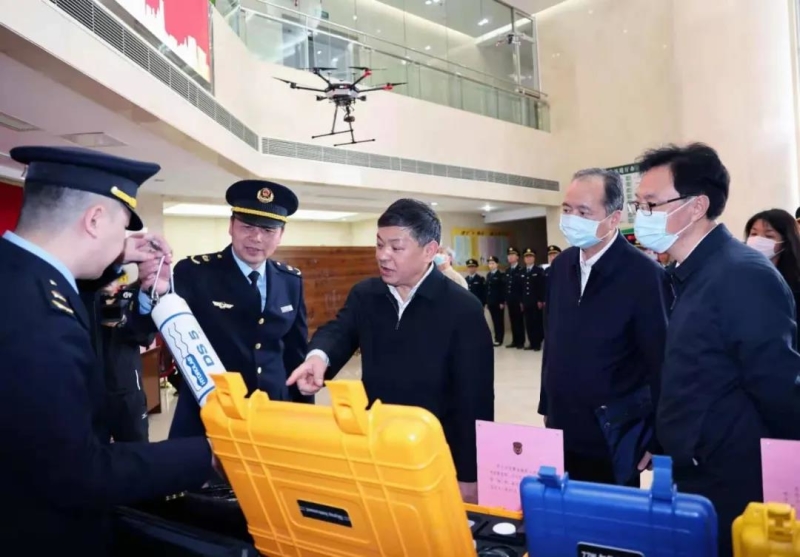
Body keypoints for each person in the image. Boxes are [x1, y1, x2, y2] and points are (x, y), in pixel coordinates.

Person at [0, 146, 217, 554]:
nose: (125, 242)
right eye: (122, 230)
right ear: (95, 220)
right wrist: (207, 453)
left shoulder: (17, 275)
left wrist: (119, 256)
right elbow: (77, 473)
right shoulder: (41, 319)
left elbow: (65, 289)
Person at [632, 143, 800, 557]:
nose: (640, 215)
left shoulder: (740, 275)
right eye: (638, 204)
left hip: (732, 479)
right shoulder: (686, 274)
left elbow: (778, 389)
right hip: (692, 470)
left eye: (651, 204)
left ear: (696, 207)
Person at [286, 199, 494, 503]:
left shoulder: (462, 308)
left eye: (396, 247)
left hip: (435, 452)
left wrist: (469, 474)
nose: (383, 255)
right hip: (376, 444)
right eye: (379, 244)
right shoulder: (366, 295)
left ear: (429, 250)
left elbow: (475, 399)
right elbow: (339, 330)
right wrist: (318, 357)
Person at [137, 180, 312, 439]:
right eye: (247, 227)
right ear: (231, 226)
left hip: (272, 411)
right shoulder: (195, 273)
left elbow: (295, 355)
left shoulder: (290, 280)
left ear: (281, 234)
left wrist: (304, 416)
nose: (256, 238)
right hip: (209, 410)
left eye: (268, 230)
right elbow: (144, 331)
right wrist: (150, 291)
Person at [539, 168, 669, 488]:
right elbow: (552, 342)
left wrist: (658, 435)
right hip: (563, 425)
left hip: (615, 432)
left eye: (584, 212)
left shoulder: (644, 275)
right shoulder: (561, 267)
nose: (572, 219)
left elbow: (662, 362)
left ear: (614, 219)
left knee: (610, 515)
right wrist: (547, 405)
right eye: (567, 209)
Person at [95, 279, 153, 442]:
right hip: (91, 389)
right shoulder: (84, 297)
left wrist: (123, 319)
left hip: (126, 387)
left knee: (136, 446)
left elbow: (146, 337)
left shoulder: (131, 295)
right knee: (93, 450)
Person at [744, 208, 800, 333]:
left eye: (769, 236)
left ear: (786, 242)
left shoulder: (795, 284)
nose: (758, 240)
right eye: (753, 234)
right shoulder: (738, 274)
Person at [521, 248, 544, 351]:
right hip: (526, 301)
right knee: (528, 323)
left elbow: (541, 286)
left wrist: (540, 300)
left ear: (534, 258)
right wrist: (521, 301)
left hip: (535, 302)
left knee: (536, 323)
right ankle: (531, 342)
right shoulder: (522, 271)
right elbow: (520, 288)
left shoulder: (538, 271)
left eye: (530, 256)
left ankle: (537, 343)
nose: (528, 258)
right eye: (526, 256)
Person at [504, 246, 525, 348]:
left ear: (517, 257)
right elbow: (506, 286)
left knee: (519, 321)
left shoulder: (521, 270)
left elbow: (522, 287)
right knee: (512, 320)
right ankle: (515, 340)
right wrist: (506, 299)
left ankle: (520, 341)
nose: (510, 257)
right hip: (510, 300)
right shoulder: (507, 271)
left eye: (513, 255)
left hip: (518, 300)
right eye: (509, 255)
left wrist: (522, 301)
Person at [485, 255, 506, 346]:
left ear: (497, 264)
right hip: (491, 302)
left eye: (493, 263)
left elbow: (502, 289)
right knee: (494, 321)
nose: (491, 265)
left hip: (498, 303)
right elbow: (487, 290)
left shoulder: (500, 275)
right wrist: (487, 302)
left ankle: (499, 339)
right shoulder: (488, 275)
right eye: (489, 263)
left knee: (499, 321)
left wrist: (502, 301)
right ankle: (496, 338)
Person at [541, 245, 561, 333]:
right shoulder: (546, 271)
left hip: (561, 302)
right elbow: (543, 287)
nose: (552, 257)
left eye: (554, 254)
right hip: (548, 302)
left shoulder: (565, 269)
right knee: (548, 324)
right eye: (550, 255)